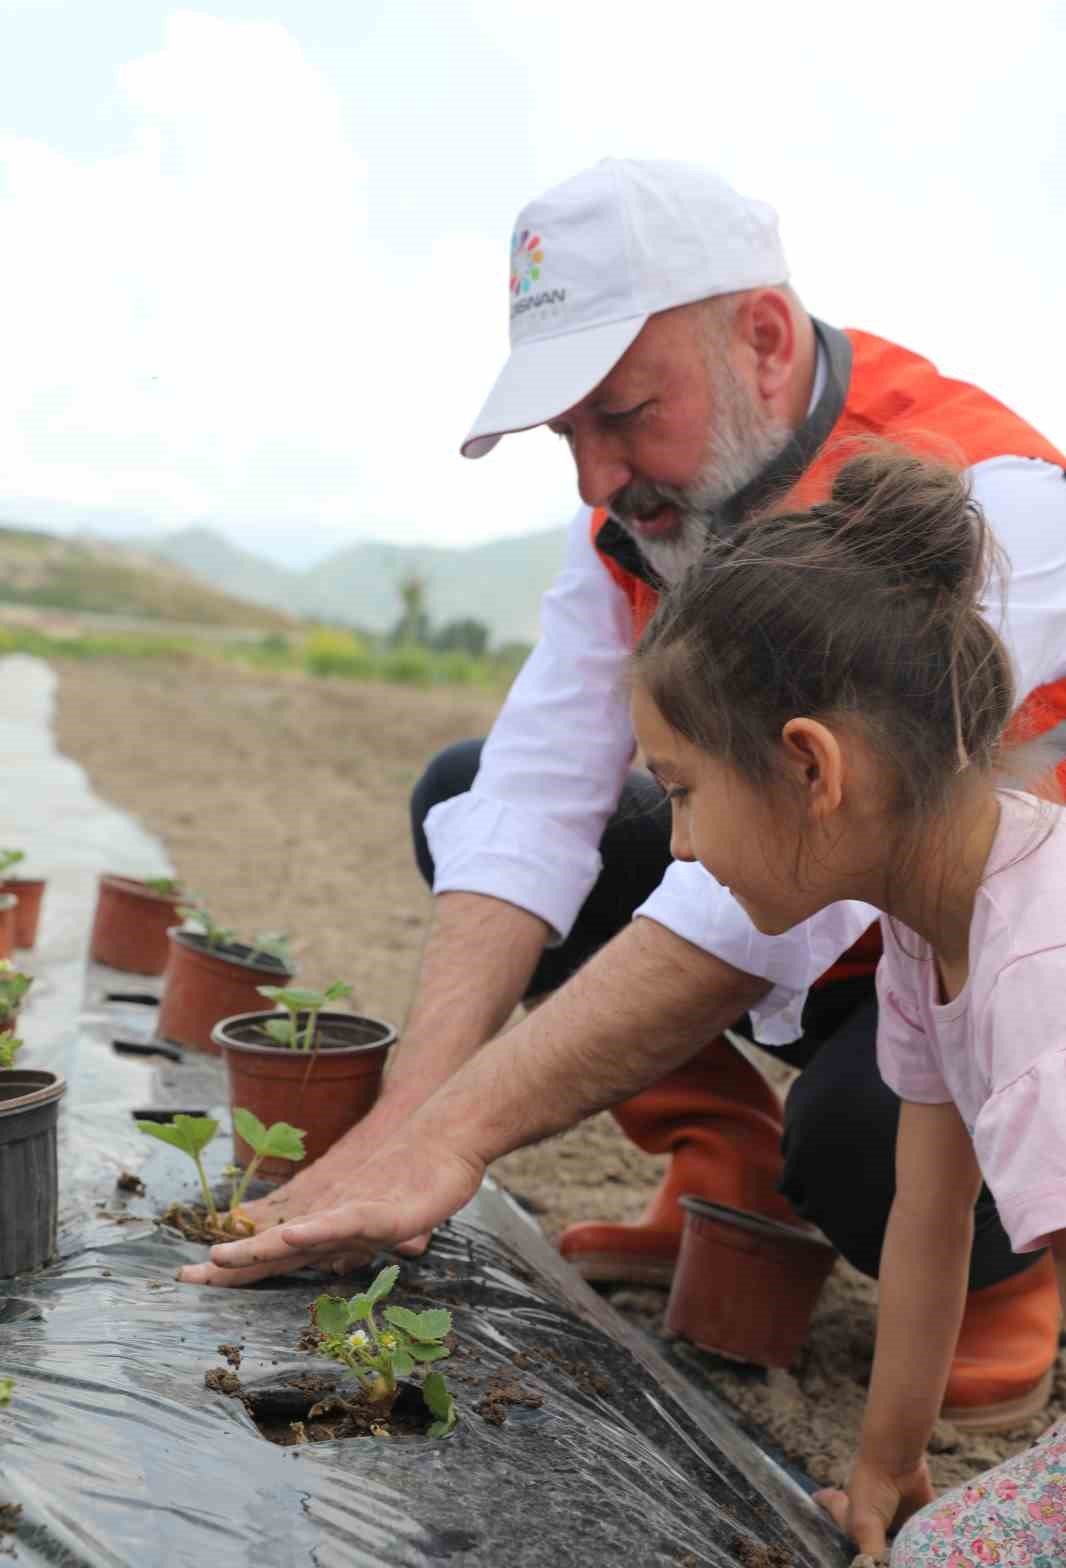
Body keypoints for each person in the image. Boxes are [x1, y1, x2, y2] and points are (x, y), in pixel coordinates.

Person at [178, 158, 1066, 1433]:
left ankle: (1000, 1286)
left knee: (868, 1132)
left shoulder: (986, 505)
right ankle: (730, 1174)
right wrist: (401, 1118)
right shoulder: (652, 513)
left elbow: (758, 902)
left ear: (759, 337)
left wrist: (453, 1140)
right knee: (470, 789)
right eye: (569, 438)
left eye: (624, 414)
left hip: (998, 960)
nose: (596, 480)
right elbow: (534, 801)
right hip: (844, 917)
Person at [619, 446, 1066, 1559]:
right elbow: (927, 1218)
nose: (675, 844)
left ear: (811, 769)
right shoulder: (931, 922)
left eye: (683, 795)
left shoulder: (1034, 976)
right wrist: (887, 1460)